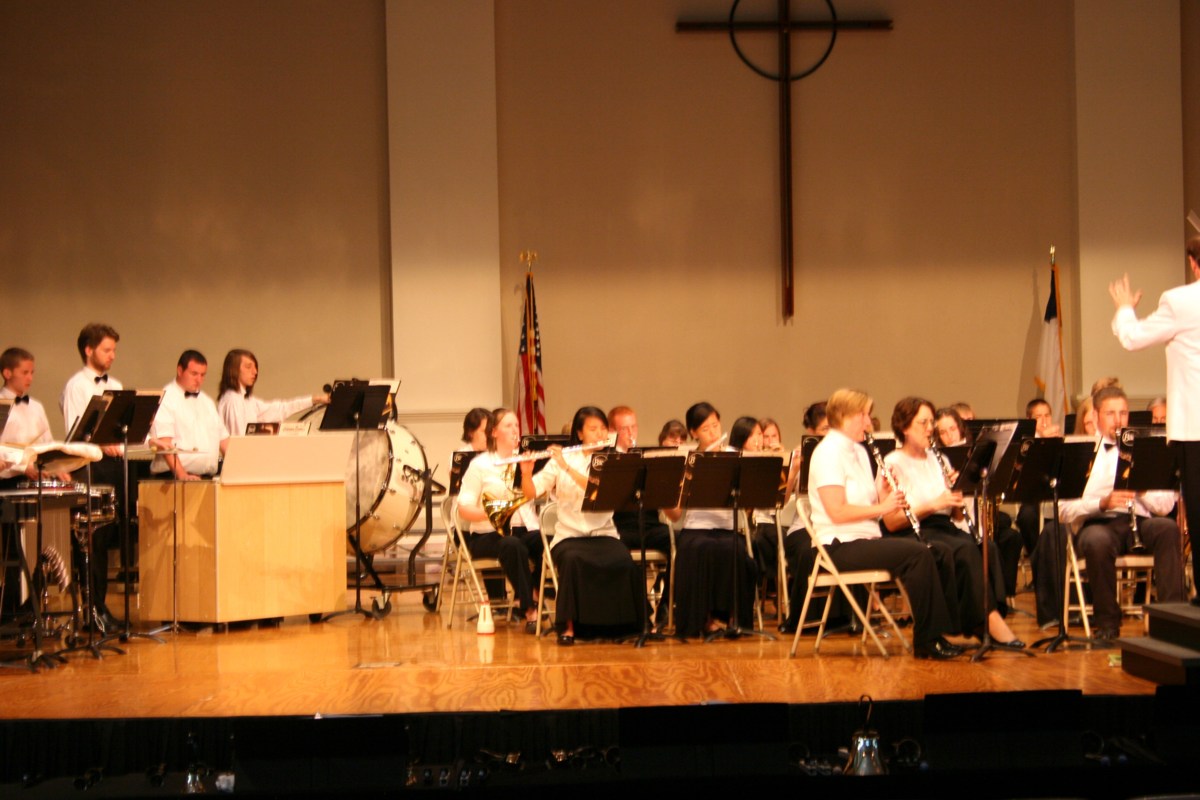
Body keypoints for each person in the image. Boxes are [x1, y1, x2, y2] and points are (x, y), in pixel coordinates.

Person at [806, 389, 961, 659]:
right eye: (864, 415)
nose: (869, 422)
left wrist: (884, 492)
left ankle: (941, 632)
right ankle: (927, 640)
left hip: (867, 537)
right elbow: (837, 512)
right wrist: (883, 507)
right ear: (844, 416)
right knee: (918, 554)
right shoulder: (827, 453)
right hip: (839, 545)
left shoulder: (858, 451)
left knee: (939, 550)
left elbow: (868, 502)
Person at [883, 397, 1023, 646]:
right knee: (962, 549)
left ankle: (986, 619)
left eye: (931, 422)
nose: (930, 428)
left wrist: (957, 493)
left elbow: (955, 516)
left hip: (942, 526)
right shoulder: (893, 462)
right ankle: (985, 623)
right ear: (904, 427)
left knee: (986, 547)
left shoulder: (939, 459)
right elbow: (892, 522)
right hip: (914, 530)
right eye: (923, 423)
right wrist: (934, 504)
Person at [1057, 386, 1185, 638]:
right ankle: (1108, 625)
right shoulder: (1079, 450)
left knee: (1167, 529)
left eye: (1123, 413)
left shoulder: (1147, 449)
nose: (1118, 420)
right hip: (1098, 523)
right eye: (1110, 413)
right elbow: (1063, 510)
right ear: (1095, 415)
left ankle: (1171, 620)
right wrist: (1101, 503)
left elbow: (1165, 507)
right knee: (1097, 541)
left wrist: (1142, 489)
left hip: (1139, 522)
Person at [1110, 252, 1200, 592]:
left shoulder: (1181, 301)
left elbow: (1133, 337)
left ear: (1193, 263)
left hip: (1195, 430)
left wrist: (1124, 308)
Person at [519, 407, 641, 645]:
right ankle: (569, 625)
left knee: (623, 559)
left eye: (603, 429)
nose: (600, 434)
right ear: (580, 433)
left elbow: (598, 488)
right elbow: (531, 493)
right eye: (593, 429)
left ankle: (622, 625)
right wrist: (526, 473)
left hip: (604, 533)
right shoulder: (561, 460)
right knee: (573, 560)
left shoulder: (613, 459)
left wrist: (566, 467)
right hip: (569, 536)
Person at [663, 402, 756, 637]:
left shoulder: (735, 457)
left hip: (727, 527)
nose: (714, 433)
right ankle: (704, 619)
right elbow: (675, 514)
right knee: (698, 549)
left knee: (735, 551)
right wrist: (667, 494)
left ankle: (735, 619)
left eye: (716, 425)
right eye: (706, 429)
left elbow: (749, 505)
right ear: (693, 433)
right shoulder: (686, 459)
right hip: (696, 528)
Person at [59, 323, 125, 630]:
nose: (112, 355)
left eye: (114, 350)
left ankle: (102, 607)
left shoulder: (117, 385)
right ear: (89, 350)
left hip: (112, 466)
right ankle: (91, 610)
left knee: (107, 539)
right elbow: (76, 433)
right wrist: (101, 443)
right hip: (88, 467)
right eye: (106, 350)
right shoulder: (77, 386)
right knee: (91, 541)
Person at [454, 408, 542, 630]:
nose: (515, 430)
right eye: (508, 426)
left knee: (548, 541)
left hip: (523, 529)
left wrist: (528, 473)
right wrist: (493, 512)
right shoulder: (480, 465)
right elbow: (464, 508)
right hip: (487, 534)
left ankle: (535, 594)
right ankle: (530, 609)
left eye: (516, 425)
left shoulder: (523, 460)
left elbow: (533, 494)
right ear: (494, 432)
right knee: (512, 546)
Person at [607, 405, 672, 626]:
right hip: (621, 527)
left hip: (650, 525)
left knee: (680, 544)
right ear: (612, 431)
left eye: (633, 427)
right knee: (617, 554)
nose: (631, 433)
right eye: (624, 429)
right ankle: (641, 610)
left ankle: (666, 605)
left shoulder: (649, 458)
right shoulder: (607, 460)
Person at [149, 351, 230, 480]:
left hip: (206, 478)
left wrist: (239, 471)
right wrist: (182, 474)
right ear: (180, 370)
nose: (199, 380)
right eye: (194, 374)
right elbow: (165, 443)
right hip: (174, 479)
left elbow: (224, 441)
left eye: (202, 375)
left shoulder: (207, 402)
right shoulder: (166, 398)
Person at [216, 349, 327, 436]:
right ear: (233, 370)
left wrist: (315, 399)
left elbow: (280, 409)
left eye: (255, 367)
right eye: (248, 367)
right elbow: (238, 441)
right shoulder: (233, 400)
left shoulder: (248, 401)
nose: (255, 372)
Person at [0, 348, 57, 484]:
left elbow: (48, 443)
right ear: (7, 373)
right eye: (25, 373)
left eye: (32, 373)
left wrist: (57, 467)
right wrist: (22, 467)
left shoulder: (36, 406)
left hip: (35, 479)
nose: (30, 378)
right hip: (7, 482)